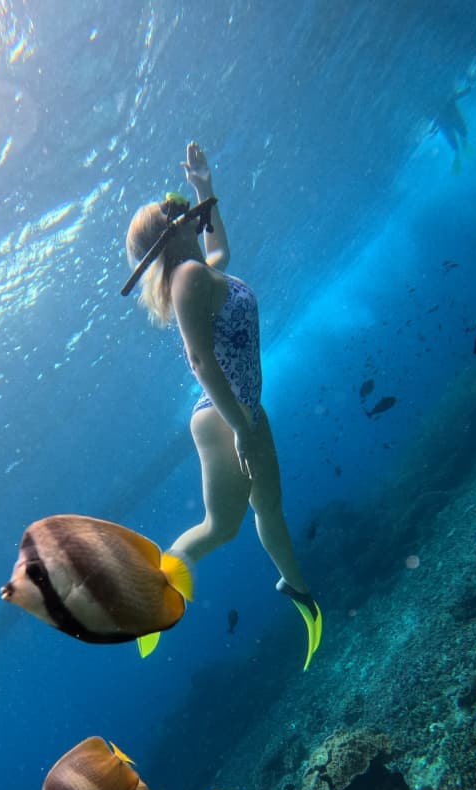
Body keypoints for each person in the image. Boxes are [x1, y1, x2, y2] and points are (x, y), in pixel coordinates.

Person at [122, 141, 322, 669]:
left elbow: (222, 251)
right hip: (223, 418)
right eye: (178, 209)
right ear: (169, 232)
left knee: (270, 507)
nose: (189, 212)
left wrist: (204, 188)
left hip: (244, 411)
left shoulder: (202, 271)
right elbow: (199, 359)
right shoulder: (188, 278)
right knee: (222, 527)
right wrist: (242, 429)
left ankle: (297, 589)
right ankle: (152, 591)